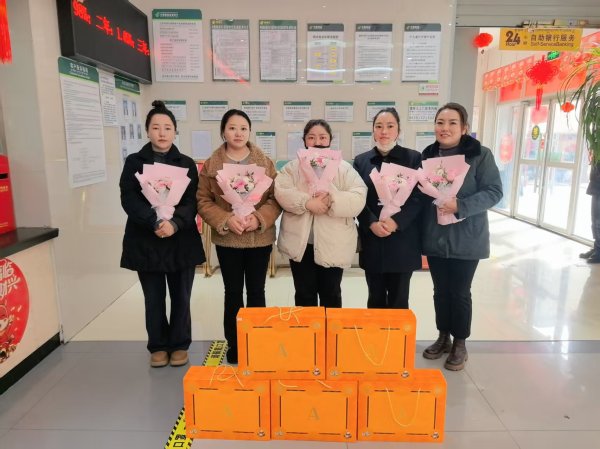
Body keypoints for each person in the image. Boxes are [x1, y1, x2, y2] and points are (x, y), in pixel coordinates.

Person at [120, 100, 205, 368]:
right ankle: (157, 345)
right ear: (147, 131)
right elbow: (128, 198)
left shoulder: (187, 163)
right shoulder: (134, 162)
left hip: (180, 239)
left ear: (175, 131)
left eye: (167, 127)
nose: (162, 133)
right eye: (156, 127)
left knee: (181, 296)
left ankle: (179, 344)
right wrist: (154, 221)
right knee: (153, 297)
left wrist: (174, 223)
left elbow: (192, 200)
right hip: (147, 237)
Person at [421, 102, 502, 371]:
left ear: (464, 127)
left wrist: (461, 205)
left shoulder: (480, 155)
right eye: (440, 122)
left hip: (467, 237)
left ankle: (460, 342)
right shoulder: (427, 155)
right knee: (440, 291)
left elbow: (494, 191)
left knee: (459, 292)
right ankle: (443, 336)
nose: (445, 128)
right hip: (435, 236)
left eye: (452, 122)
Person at [197, 109, 281, 364]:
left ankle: (257, 342)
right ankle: (234, 343)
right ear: (223, 131)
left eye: (243, 128)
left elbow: (276, 198)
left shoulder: (265, 162)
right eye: (232, 128)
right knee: (232, 292)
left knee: (257, 291)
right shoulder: (211, 165)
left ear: (250, 131)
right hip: (228, 239)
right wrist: (225, 219)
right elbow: (203, 200)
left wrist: (259, 218)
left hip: (259, 238)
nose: (238, 133)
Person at [275, 119, 367, 308]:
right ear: (304, 140)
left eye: (323, 137)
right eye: (311, 137)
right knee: (304, 293)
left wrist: (333, 199)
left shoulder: (344, 168)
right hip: (300, 243)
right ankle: (307, 329)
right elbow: (281, 191)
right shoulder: (292, 168)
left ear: (330, 140)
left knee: (331, 294)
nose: (317, 142)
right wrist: (307, 203)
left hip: (334, 243)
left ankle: (330, 329)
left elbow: (359, 196)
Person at [353, 108, 423, 309]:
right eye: (379, 126)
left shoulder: (413, 158)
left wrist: (396, 222)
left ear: (398, 130)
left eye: (390, 126)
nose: (384, 131)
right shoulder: (362, 161)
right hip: (373, 238)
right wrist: (370, 222)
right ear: (373, 131)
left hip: (403, 239)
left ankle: (396, 332)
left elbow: (419, 198)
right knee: (374, 298)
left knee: (399, 300)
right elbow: (357, 197)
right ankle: (376, 331)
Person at [579, 154, 600, 263]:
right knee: (594, 220)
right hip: (596, 185)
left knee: (598, 221)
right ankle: (596, 248)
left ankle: (599, 251)